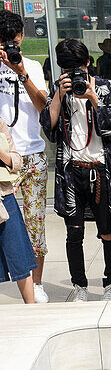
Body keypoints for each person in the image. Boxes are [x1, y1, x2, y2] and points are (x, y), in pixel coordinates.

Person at [41, 38, 111, 303]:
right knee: (74, 231)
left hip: (100, 169)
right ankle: (80, 285)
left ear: (88, 63)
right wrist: (58, 95)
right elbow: (49, 129)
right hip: (71, 171)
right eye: (67, 69)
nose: (73, 74)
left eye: (77, 67)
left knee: (107, 230)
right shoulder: (59, 90)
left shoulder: (106, 87)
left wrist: (92, 97)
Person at [0, 10, 49, 302]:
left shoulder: (30, 66)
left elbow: (44, 105)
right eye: (6, 43)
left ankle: (37, 284)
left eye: (15, 42)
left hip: (31, 154)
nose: (11, 49)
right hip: (2, 158)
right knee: (6, 223)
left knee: (34, 223)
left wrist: (22, 74)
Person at [0, 117, 37, 302]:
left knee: (19, 253)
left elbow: (16, 161)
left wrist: (0, 152)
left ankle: (31, 308)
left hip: (4, 195)